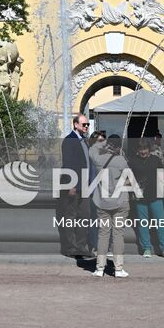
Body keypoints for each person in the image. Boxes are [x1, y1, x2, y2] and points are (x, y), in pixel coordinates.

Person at [88, 135, 141, 277]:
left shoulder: (98, 160)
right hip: (119, 203)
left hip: (102, 203)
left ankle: (99, 268)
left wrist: (102, 144)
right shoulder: (121, 161)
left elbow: (92, 149)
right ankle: (118, 269)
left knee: (103, 234)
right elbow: (131, 181)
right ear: (118, 147)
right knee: (118, 235)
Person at [59, 113, 95, 264]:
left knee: (84, 216)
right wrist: (71, 185)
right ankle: (70, 248)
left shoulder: (84, 141)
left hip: (85, 186)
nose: (86, 127)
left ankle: (81, 246)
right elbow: (68, 164)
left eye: (87, 125)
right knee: (71, 216)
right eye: (84, 124)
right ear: (75, 125)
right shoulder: (69, 140)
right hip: (74, 185)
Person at [129, 139, 164, 259]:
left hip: (155, 195)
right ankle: (146, 248)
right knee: (143, 224)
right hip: (140, 196)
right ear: (137, 150)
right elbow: (129, 177)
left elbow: (162, 174)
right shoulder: (132, 161)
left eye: (145, 149)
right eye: (141, 149)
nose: (143, 151)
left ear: (149, 149)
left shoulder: (155, 160)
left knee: (160, 223)